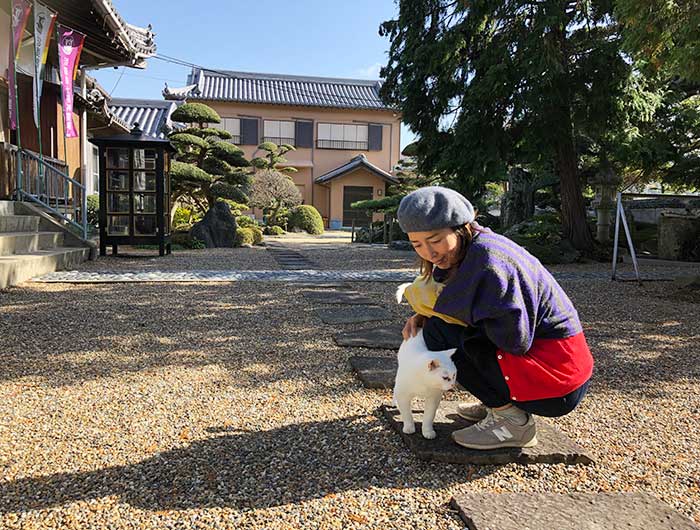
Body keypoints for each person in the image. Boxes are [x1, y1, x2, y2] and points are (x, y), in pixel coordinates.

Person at [396, 186, 593, 450]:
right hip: (562, 367)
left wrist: (441, 315)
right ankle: (497, 403)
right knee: (438, 326)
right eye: (417, 244)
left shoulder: (489, 264)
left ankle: (512, 421)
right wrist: (427, 313)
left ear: (460, 228)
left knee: (438, 335)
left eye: (435, 240)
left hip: (554, 379)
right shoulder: (477, 247)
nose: (429, 253)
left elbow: (514, 340)